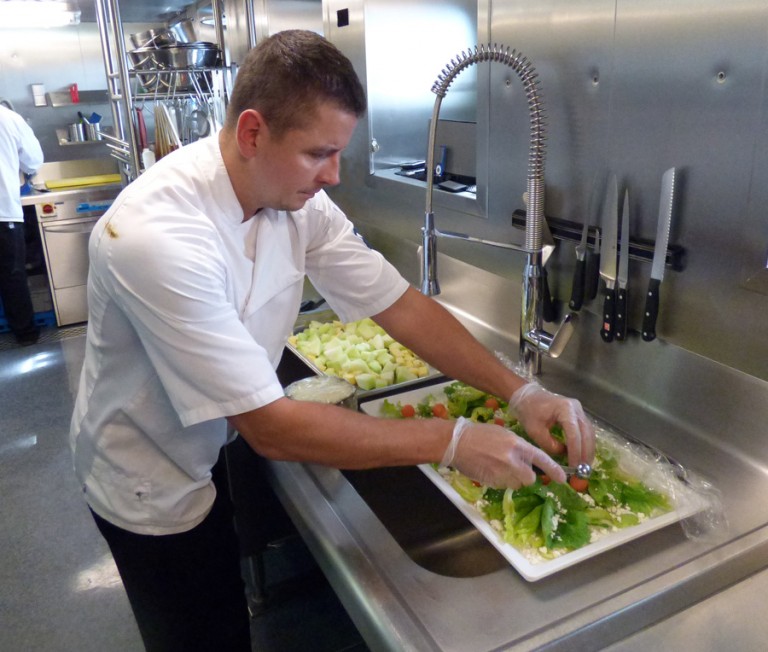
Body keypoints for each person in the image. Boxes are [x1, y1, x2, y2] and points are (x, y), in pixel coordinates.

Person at [70, 29, 595, 651]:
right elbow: (273, 429)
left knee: (225, 607)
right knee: (198, 630)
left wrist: (521, 392)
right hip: (146, 477)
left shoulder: (294, 202)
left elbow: (399, 306)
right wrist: (452, 441)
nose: (335, 175)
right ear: (251, 133)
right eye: (319, 153)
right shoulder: (156, 238)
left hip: (210, 438)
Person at [0, 104, 43, 345]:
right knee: (12, 274)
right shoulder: (9, 118)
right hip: (4, 211)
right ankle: (26, 335)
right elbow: (34, 161)